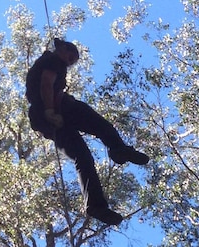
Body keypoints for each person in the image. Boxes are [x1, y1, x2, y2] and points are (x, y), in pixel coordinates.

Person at [25, 38, 149, 226]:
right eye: (71, 56)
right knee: (100, 125)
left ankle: (96, 205)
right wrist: (50, 110)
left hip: (43, 118)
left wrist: (48, 116)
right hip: (57, 109)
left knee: (83, 158)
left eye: (73, 60)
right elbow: (46, 84)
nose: (70, 61)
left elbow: (44, 86)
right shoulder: (53, 61)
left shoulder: (49, 62)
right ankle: (117, 148)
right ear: (61, 49)